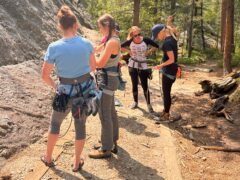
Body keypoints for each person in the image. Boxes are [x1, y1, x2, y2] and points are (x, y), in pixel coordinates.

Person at [41, 5, 98, 172]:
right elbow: (93, 67)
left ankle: (49, 157)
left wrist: (56, 86)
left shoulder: (54, 47)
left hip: (64, 93)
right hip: (84, 92)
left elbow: (44, 75)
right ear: (76, 25)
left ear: (60, 26)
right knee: (80, 126)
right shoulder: (86, 43)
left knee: (55, 124)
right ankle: (76, 162)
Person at [88, 14, 121, 159]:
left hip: (107, 81)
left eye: (100, 27)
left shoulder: (112, 42)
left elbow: (99, 63)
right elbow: (97, 49)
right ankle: (111, 141)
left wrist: (91, 57)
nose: (100, 30)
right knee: (111, 111)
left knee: (104, 113)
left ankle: (106, 148)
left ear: (107, 26)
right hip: (110, 80)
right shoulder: (111, 40)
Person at [121, 26, 159, 113]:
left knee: (144, 85)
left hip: (143, 65)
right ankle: (135, 102)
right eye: (135, 35)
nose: (138, 36)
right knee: (134, 84)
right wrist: (129, 52)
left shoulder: (145, 40)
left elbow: (156, 46)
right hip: (132, 64)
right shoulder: (130, 41)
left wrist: (148, 51)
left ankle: (149, 105)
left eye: (139, 34)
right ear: (132, 35)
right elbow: (120, 46)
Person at [151, 24, 178, 122]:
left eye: (157, 35)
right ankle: (165, 111)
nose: (158, 38)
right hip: (171, 70)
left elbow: (171, 59)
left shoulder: (167, 43)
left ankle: (166, 115)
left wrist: (160, 66)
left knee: (166, 94)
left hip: (168, 72)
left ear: (161, 32)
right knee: (166, 93)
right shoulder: (172, 38)